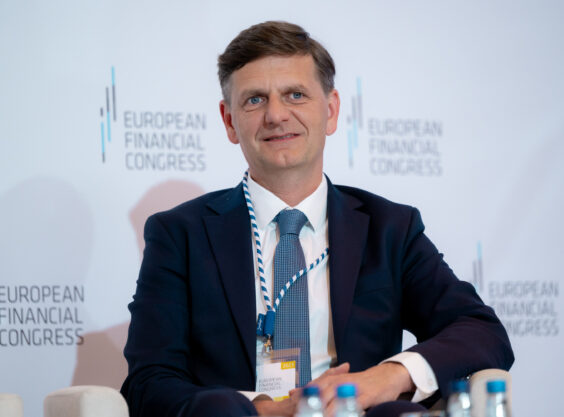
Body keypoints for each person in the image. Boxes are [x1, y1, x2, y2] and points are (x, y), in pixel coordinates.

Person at [121, 21, 513, 417]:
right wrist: (263, 410)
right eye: (255, 100)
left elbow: (481, 331)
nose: (276, 115)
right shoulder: (180, 235)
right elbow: (149, 381)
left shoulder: (390, 228)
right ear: (229, 121)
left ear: (331, 110)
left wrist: (386, 377)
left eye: (295, 95)